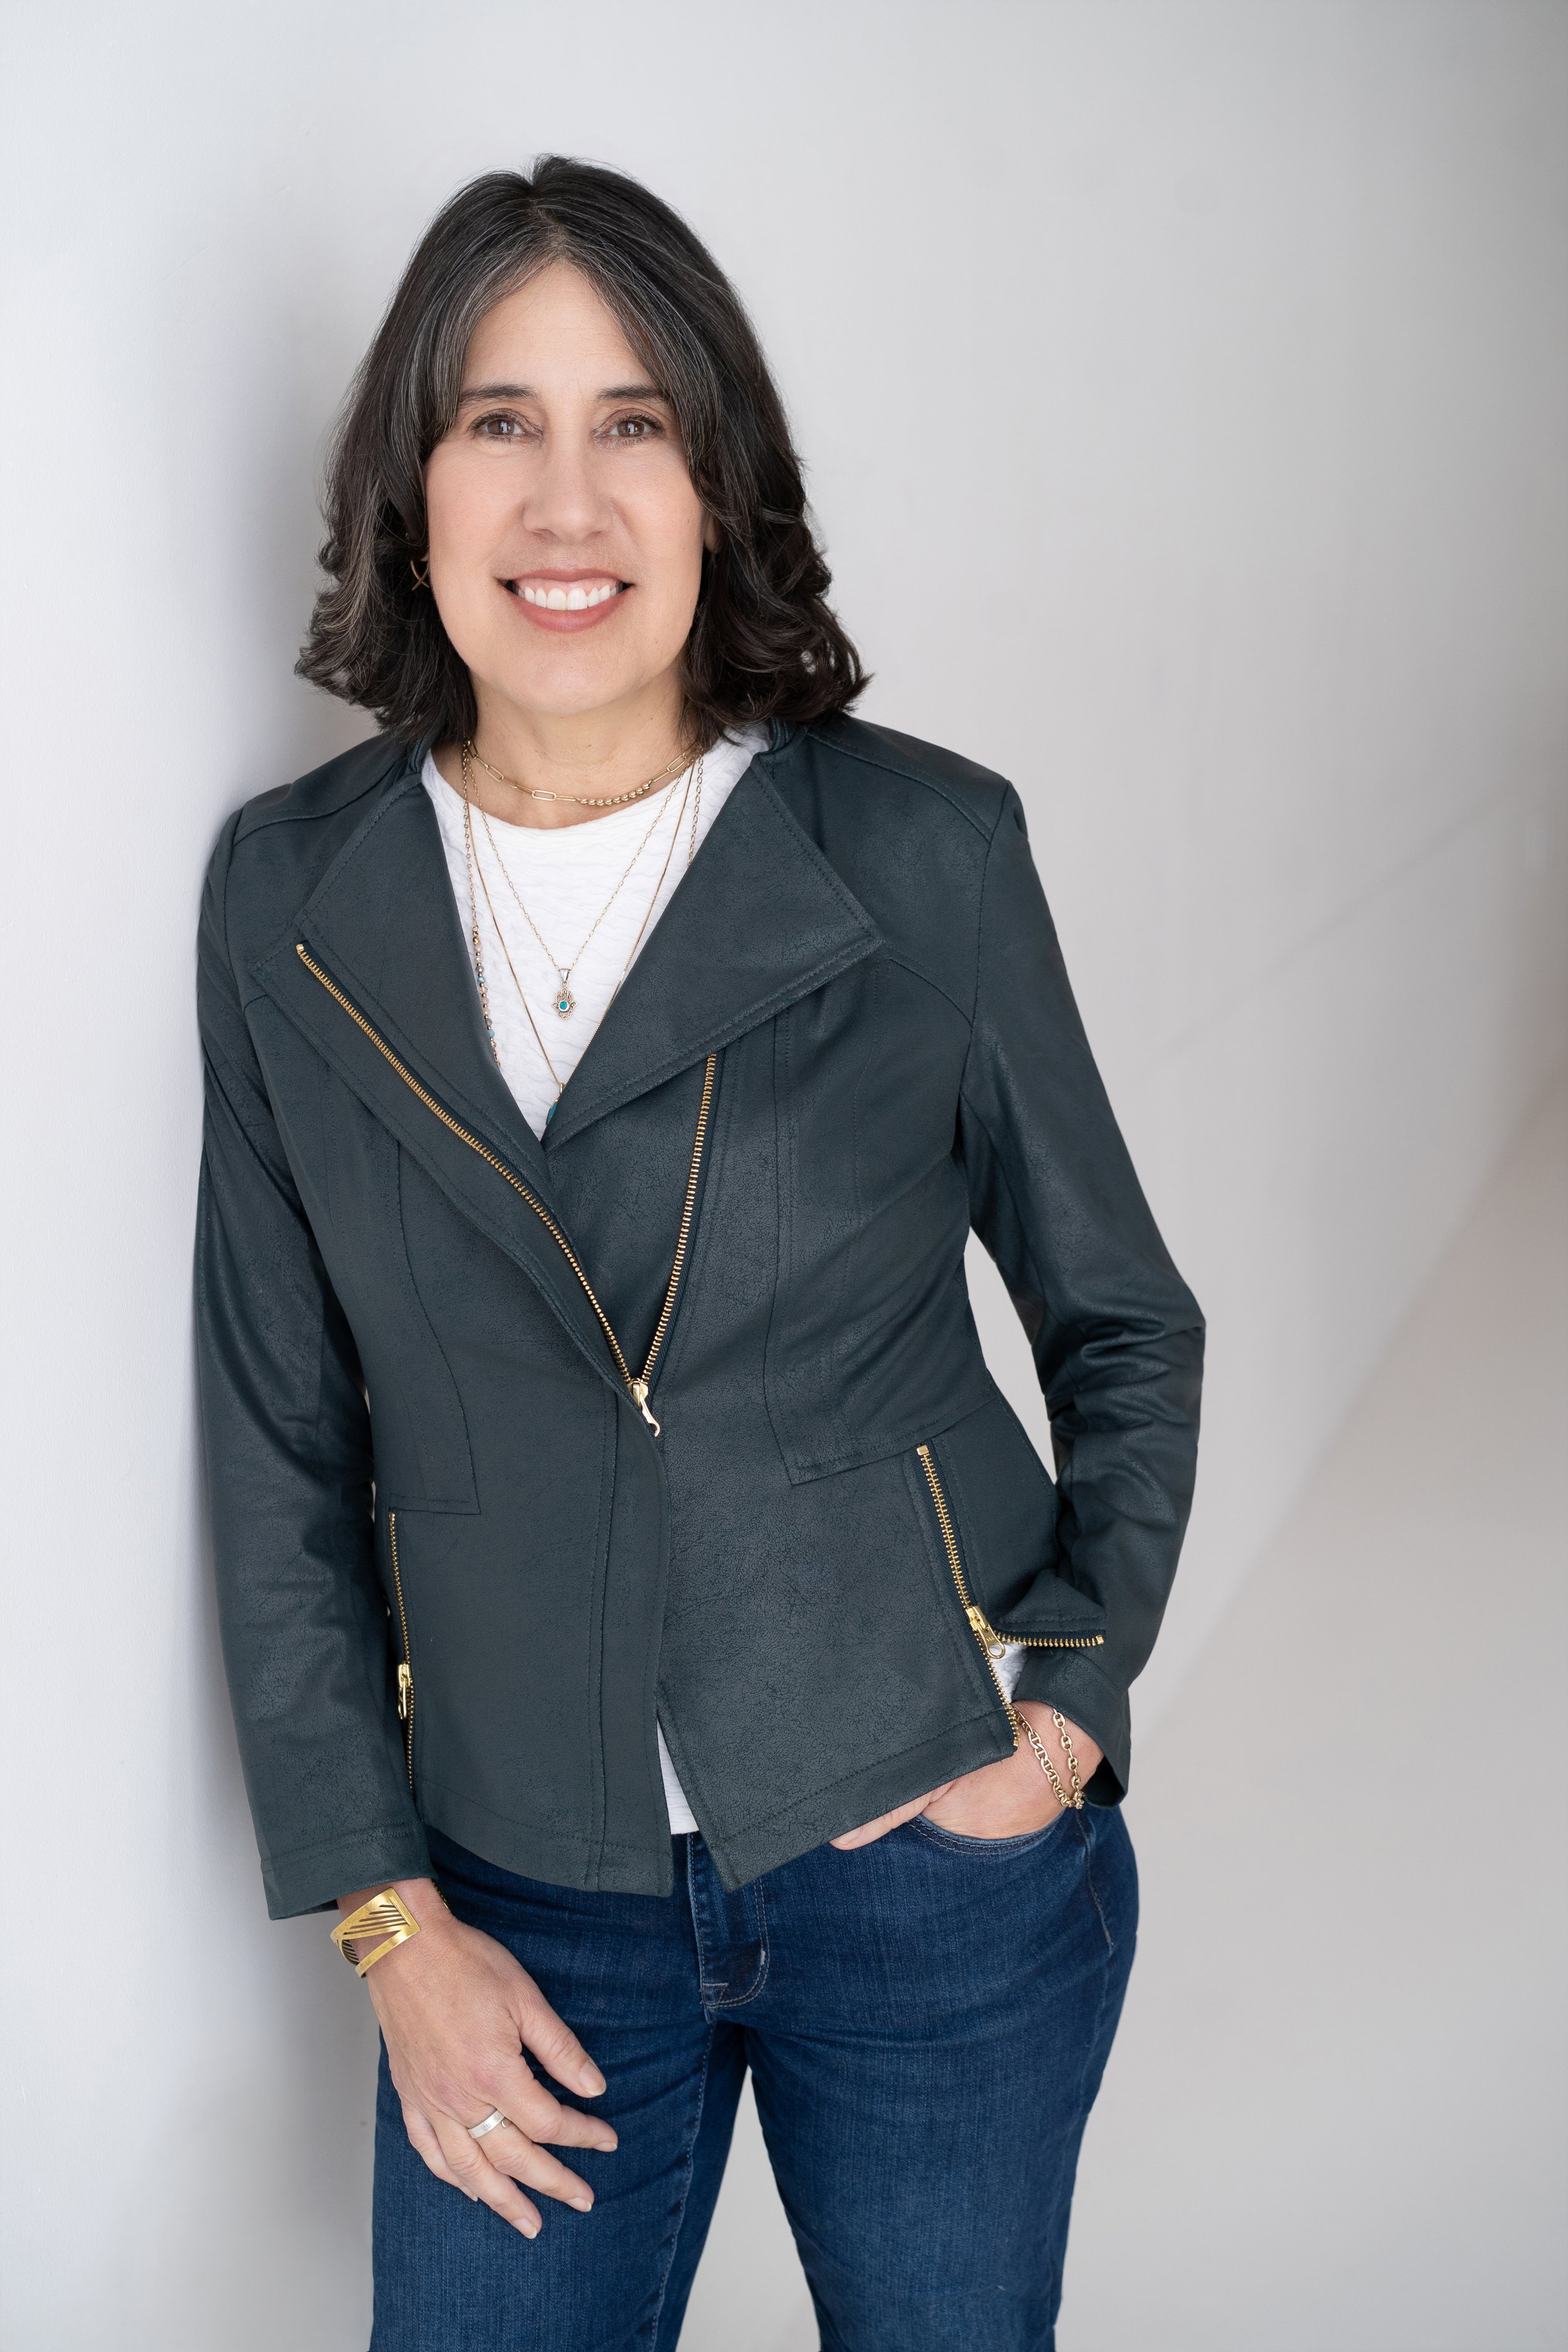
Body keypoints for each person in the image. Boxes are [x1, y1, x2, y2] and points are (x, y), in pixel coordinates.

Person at [196, 158, 1203, 2351]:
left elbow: (1121, 1319)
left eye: (633, 424)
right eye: (500, 422)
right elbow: (277, 1444)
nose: (566, 502)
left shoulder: (922, 848)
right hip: (515, 1893)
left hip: (922, 1848)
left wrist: (1059, 1721)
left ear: (718, 486)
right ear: (410, 486)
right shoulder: (286, 899)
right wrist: (389, 1923)